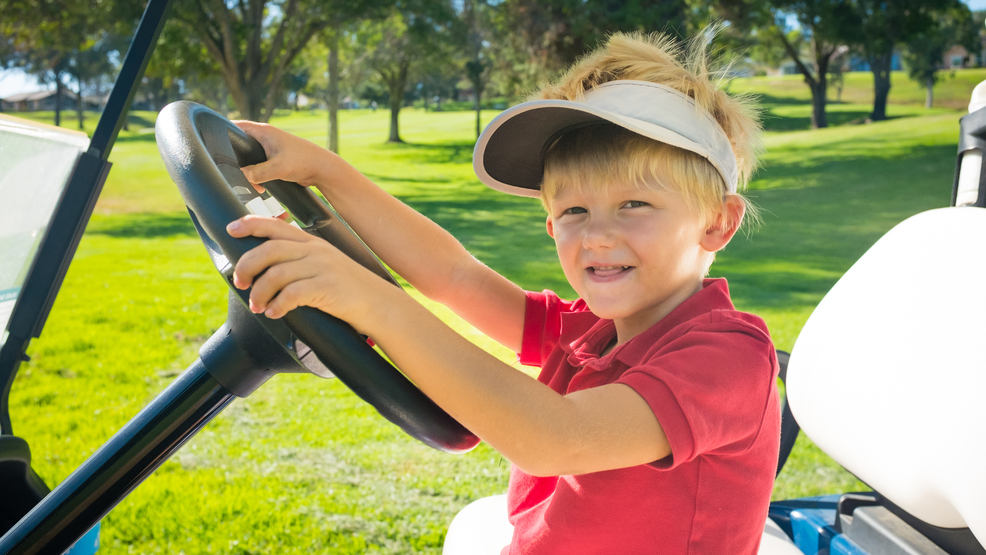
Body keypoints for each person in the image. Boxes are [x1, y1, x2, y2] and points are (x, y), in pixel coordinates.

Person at [228, 30, 780, 555]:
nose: (597, 235)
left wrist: (375, 305)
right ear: (550, 225)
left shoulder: (729, 358)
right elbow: (455, 276)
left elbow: (560, 438)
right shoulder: (593, 330)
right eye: (573, 211)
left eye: (634, 205)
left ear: (716, 225)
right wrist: (326, 172)